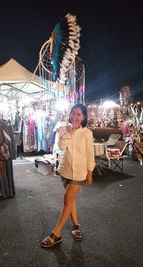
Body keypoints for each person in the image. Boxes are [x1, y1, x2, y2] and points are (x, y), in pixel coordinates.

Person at [40, 103, 95, 248]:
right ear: (70, 114)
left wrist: (90, 171)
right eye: (73, 113)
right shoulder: (63, 129)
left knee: (67, 199)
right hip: (65, 169)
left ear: (83, 117)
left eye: (79, 114)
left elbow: (90, 154)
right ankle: (76, 226)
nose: (75, 117)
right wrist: (69, 132)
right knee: (70, 201)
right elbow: (61, 146)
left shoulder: (87, 133)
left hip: (79, 172)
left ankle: (56, 234)